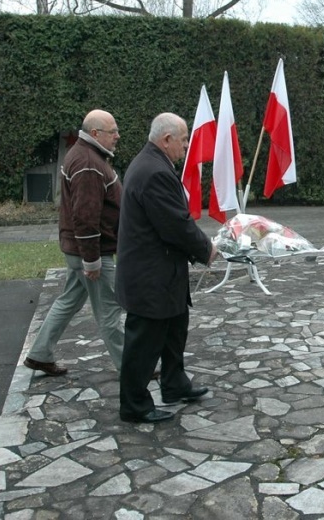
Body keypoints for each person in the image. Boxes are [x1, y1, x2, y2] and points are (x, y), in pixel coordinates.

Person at [116, 112, 219, 423]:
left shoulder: (151, 163)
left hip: (162, 273)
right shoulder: (155, 172)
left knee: (175, 327)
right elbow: (175, 224)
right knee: (144, 342)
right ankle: (134, 405)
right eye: (184, 139)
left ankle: (174, 383)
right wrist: (206, 249)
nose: (186, 146)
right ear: (166, 140)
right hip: (150, 277)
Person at [24, 109, 126, 375]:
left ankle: (39, 353)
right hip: (92, 252)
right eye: (112, 131)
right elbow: (85, 217)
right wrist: (91, 260)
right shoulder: (89, 164)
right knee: (109, 311)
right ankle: (131, 366)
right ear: (95, 134)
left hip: (80, 249)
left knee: (69, 299)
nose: (118, 135)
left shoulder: (86, 155)